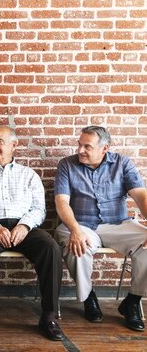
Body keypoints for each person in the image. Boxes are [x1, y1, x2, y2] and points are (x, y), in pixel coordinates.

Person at [0, 126, 63, 341]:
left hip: (24, 227)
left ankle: (49, 316)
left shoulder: (29, 175)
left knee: (51, 248)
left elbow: (39, 209)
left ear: (14, 145)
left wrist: (24, 226)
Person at [55, 125, 146, 332]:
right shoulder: (66, 165)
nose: (80, 150)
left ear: (104, 148)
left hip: (118, 223)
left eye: (87, 146)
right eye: (79, 145)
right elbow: (62, 202)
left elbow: (141, 196)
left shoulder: (123, 164)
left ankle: (132, 301)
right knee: (76, 246)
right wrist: (76, 230)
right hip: (81, 224)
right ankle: (88, 297)